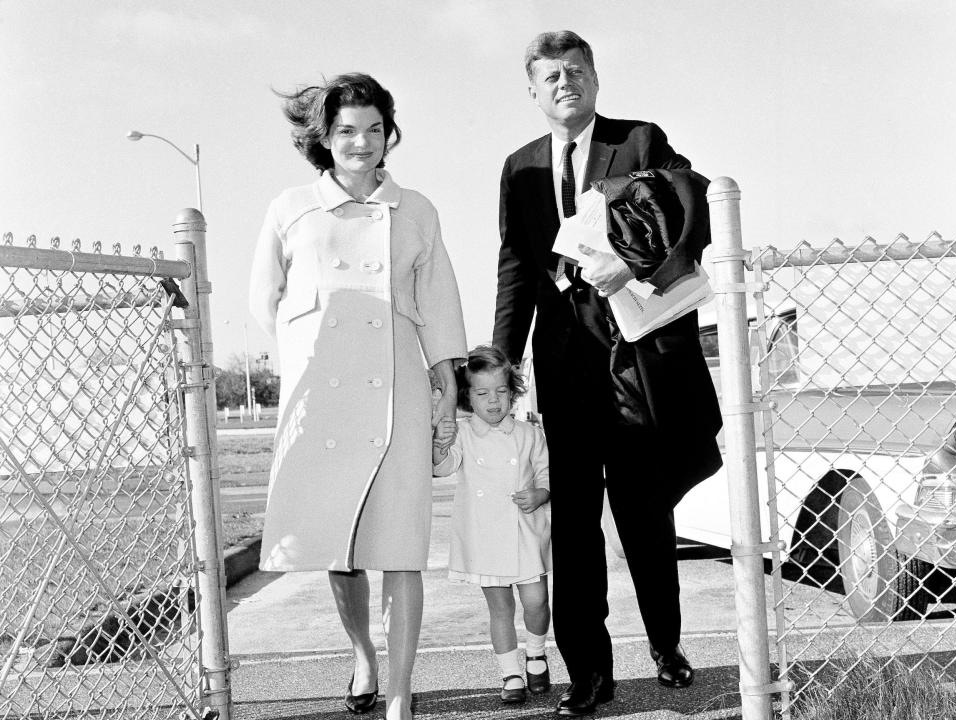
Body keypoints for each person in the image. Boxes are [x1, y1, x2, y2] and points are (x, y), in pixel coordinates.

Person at [492, 31, 722, 717]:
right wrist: (505, 360)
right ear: (533, 92)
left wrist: (638, 261)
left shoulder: (640, 141)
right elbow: (516, 268)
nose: (565, 83)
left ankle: (667, 644)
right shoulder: (520, 168)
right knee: (575, 527)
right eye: (550, 76)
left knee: (643, 514)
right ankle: (588, 673)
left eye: (575, 70)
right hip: (564, 371)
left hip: (636, 360)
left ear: (594, 78)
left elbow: (687, 208)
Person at [249, 73, 467, 720]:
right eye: (347, 130)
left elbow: (440, 300)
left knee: (401, 544)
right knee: (341, 546)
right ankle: (363, 655)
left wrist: (445, 375)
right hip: (325, 396)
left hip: (398, 389)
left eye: (375, 129)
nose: (362, 143)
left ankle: (400, 693)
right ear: (325, 136)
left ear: (388, 133)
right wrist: (305, 353)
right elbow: (263, 302)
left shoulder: (417, 209)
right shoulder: (290, 208)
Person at [432, 346, 552, 705]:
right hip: (485, 535)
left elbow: (546, 470)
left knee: (537, 599)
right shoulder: (464, 434)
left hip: (524, 531)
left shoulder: (529, 433)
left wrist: (542, 493)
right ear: (468, 396)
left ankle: (536, 652)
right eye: (483, 393)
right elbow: (443, 467)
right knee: (500, 609)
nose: (494, 401)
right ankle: (510, 672)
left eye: (501, 391)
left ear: (513, 392)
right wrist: (440, 442)